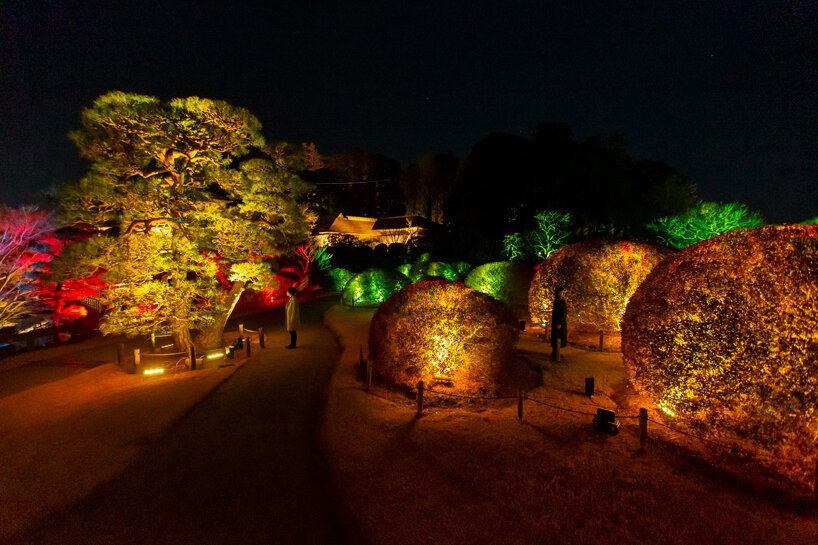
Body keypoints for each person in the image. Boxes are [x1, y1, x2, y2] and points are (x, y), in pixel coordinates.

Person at [551, 285, 567, 359]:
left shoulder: (561, 300)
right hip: (559, 322)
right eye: (561, 292)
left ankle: (557, 352)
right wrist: (558, 323)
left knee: (559, 337)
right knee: (557, 337)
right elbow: (557, 312)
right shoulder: (557, 301)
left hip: (561, 321)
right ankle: (556, 353)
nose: (562, 293)